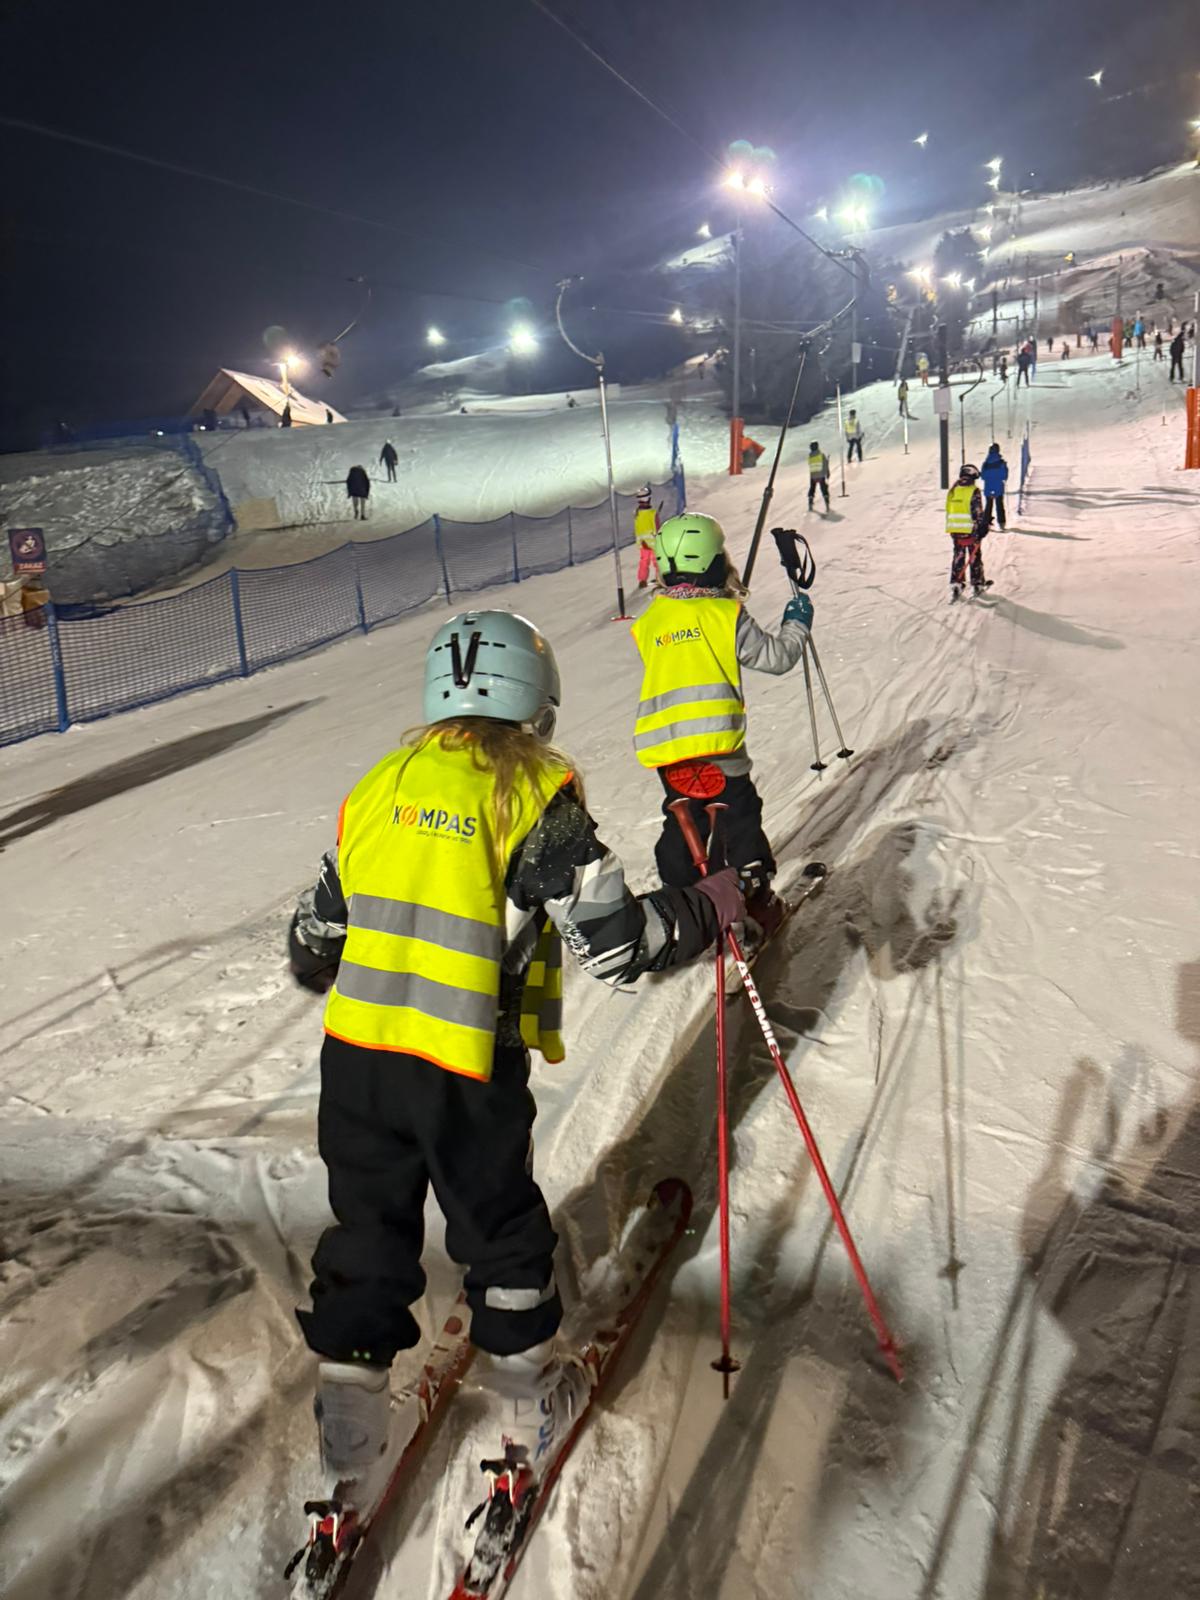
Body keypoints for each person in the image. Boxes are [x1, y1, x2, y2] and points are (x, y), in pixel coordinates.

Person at [288, 610, 742, 1503]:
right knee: (499, 1232)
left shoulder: (380, 785)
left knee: (366, 1232)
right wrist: (706, 907)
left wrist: (333, 953)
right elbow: (618, 945)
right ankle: (528, 1408)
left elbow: (317, 934)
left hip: (359, 1062)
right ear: (537, 701)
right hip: (463, 1064)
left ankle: (349, 1433)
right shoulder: (531, 796)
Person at [630, 513, 812, 938]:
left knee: (685, 820)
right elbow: (775, 658)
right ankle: (756, 901)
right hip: (718, 746)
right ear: (714, 562)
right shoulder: (725, 614)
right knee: (738, 819)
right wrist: (797, 623)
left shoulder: (650, 620)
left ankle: (684, 897)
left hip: (668, 750)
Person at [946, 463, 989, 601]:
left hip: (955, 530)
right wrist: (982, 525)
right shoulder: (973, 491)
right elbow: (977, 512)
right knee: (974, 556)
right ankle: (977, 583)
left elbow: (949, 510)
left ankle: (956, 582)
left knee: (958, 556)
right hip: (970, 530)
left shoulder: (953, 490)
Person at [633, 485, 659, 588]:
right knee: (657, 561)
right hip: (654, 543)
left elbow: (638, 528)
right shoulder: (653, 513)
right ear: (649, 498)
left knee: (644, 561)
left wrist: (642, 542)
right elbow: (657, 528)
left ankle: (642, 580)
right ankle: (659, 578)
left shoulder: (636, 513)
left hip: (642, 543)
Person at [980, 442, 1009, 530]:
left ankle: (986, 523)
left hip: (988, 487)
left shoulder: (985, 464)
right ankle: (1001, 523)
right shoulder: (1001, 463)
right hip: (998, 487)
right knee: (999, 505)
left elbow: (983, 476)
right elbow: (1004, 476)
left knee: (988, 506)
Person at [807, 441, 831, 512]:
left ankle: (810, 501)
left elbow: (810, 465)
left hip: (813, 476)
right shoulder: (821, 455)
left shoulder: (810, 456)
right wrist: (827, 472)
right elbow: (825, 464)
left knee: (812, 488)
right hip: (821, 475)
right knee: (824, 488)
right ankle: (827, 502)